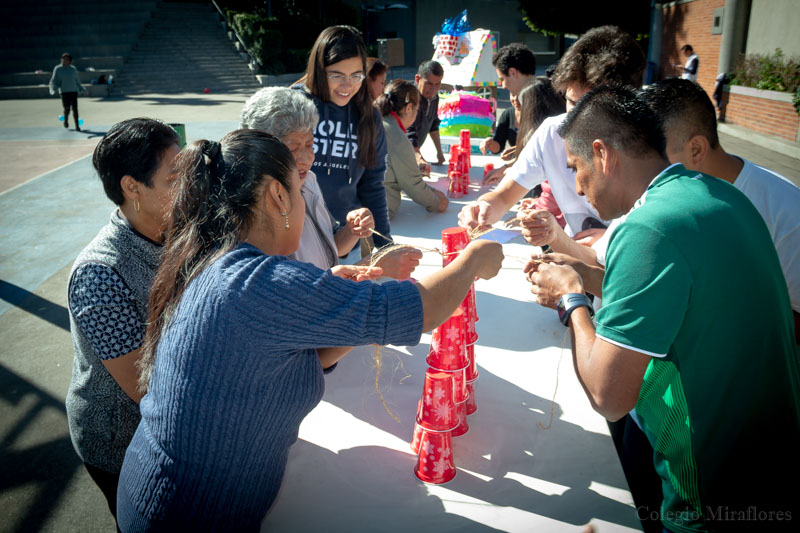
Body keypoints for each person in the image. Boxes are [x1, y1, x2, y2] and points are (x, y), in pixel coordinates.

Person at [116, 129, 504, 531]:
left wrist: (343, 309)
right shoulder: (257, 283)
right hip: (188, 516)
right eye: (298, 191)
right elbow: (423, 310)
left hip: (168, 497)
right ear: (278, 196)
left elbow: (292, 362)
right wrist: (474, 258)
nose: (302, 201)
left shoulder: (218, 258)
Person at [525, 85, 799, 532]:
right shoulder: (718, 195)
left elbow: (608, 396)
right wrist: (587, 276)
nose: (575, 185)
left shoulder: (647, 227)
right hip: (771, 464)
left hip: (712, 493)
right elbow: (677, 296)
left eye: (575, 168)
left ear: (603, 154)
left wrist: (571, 296)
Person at [66, 118, 180, 526]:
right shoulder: (99, 274)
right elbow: (141, 386)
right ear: (133, 187)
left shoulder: (174, 231)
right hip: (120, 440)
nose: (187, 184)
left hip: (169, 419)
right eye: (174, 176)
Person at [642, 77, 800, 343]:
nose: (644, 171)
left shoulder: (784, 208)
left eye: (654, 157)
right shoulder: (659, 196)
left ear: (696, 149)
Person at [460, 26, 646, 238]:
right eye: (571, 102)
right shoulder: (552, 133)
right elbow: (503, 196)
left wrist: (610, 245)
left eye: (591, 109)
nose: (576, 119)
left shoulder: (650, 153)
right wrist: (483, 207)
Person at [240, 86, 422, 278]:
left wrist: (351, 231)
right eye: (293, 149)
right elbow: (288, 293)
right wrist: (372, 264)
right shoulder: (256, 208)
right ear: (262, 149)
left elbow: (331, 248)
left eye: (310, 144)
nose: (306, 158)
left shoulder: (308, 181)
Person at [293, 25, 392, 250]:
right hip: (295, 245)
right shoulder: (292, 107)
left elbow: (372, 185)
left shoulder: (369, 117)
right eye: (336, 75)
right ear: (319, 70)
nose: (348, 86)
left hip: (347, 242)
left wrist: (385, 244)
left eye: (356, 76)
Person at [377, 79, 448, 218]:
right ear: (408, 108)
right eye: (417, 109)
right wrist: (437, 202)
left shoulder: (377, 122)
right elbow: (412, 185)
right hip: (378, 213)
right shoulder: (397, 137)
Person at [407, 60, 445, 175]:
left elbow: (433, 124)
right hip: (398, 157)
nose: (433, 90)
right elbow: (409, 132)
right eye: (429, 84)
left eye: (437, 84)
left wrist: (439, 152)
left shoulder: (434, 98)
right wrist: (418, 157)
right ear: (417, 79)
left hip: (414, 156)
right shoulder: (408, 98)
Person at [49, 52, 87, 131]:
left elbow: (77, 82)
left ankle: (77, 126)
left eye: (66, 59)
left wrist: (82, 89)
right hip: (64, 92)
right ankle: (66, 120)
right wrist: (52, 89)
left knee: (75, 109)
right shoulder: (58, 69)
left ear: (70, 61)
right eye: (63, 59)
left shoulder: (73, 69)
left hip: (73, 91)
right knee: (67, 109)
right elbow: (54, 81)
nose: (64, 60)